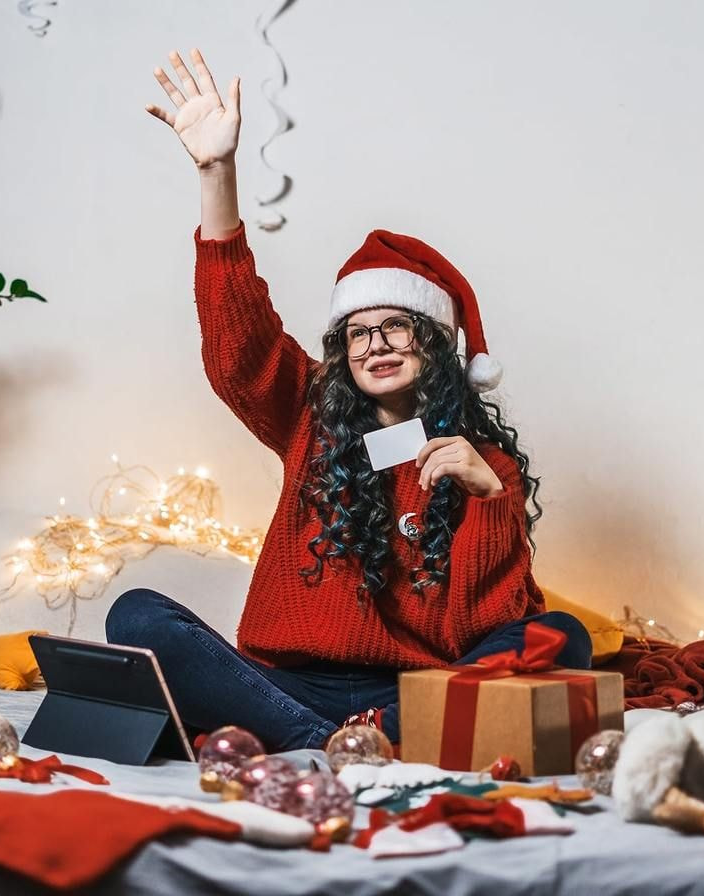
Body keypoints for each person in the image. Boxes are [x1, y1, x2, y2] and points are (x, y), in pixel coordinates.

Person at [106, 48, 591, 751]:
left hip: (417, 688)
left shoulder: (482, 464)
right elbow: (237, 342)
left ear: (433, 341)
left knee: (561, 637)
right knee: (138, 617)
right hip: (285, 683)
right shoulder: (308, 413)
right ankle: (336, 743)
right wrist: (218, 174)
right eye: (357, 332)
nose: (374, 344)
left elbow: (473, 635)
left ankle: (355, 739)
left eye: (396, 325)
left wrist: (490, 499)